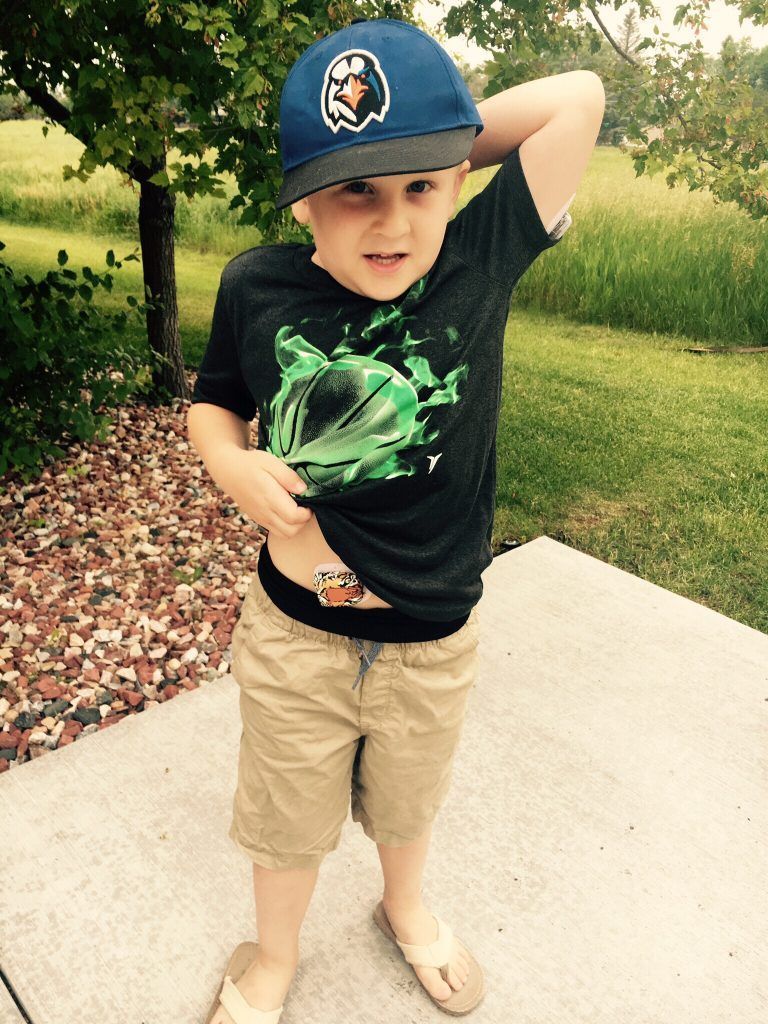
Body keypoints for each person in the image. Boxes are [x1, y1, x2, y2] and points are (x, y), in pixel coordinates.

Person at [189, 15, 600, 1024]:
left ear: (457, 181)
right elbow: (214, 402)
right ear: (303, 198)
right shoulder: (256, 285)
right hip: (299, 634)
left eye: (421, 187)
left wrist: (430, 141)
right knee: (286, 820)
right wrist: (229, 462)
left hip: (431, 635)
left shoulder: (478, 259)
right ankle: (275, 953)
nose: (393, 223)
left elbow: (578, 98)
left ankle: (403, 907)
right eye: (355, 190)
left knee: (409, 805)